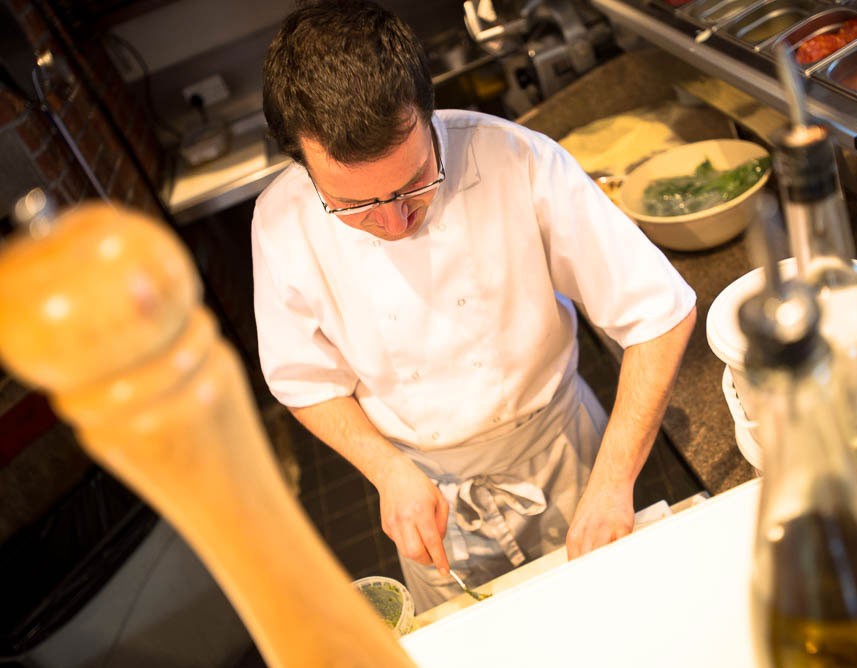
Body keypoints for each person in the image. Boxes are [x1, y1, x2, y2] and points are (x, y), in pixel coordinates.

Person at [253, 0, 696, 612]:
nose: (392, 222)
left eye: (413, 184)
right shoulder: (281, 223)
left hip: (566, 454)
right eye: (354, 206)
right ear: (303, 165)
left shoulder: (519, 159)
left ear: (428, 113)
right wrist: (386, 471)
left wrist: (614, 482)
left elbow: (659, 313)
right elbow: (303, 380)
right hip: (421, 492)